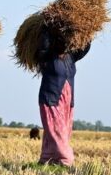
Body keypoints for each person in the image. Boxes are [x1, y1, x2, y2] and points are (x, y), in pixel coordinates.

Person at [37, 29, 90, 166]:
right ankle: (66, 161)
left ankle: (47, 159)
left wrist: (88, 32)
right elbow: (43, 45)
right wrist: (49, 27)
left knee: (62, 132)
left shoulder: (70, 57)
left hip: (67, 101)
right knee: (56, 131)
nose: (64, 44)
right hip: (51, 99)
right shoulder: (48, 57)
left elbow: (84, 48)